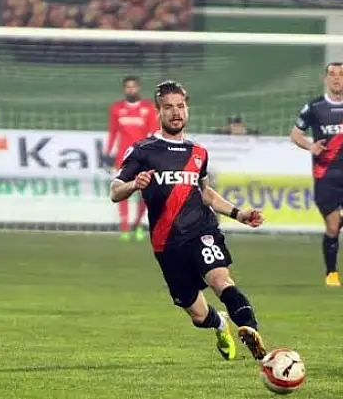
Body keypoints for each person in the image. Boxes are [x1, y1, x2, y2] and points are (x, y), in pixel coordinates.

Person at [110, 80, 268, 361]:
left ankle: (251, 330)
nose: (176, 112)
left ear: (187, 109)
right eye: (169, 107)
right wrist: (134, 184)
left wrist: (239, 214)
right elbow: (115, 191)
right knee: (197, 313)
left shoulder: (198, 152)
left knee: (220, 279)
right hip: (166, 243)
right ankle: (219, 323)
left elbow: (205, 193)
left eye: (180, 106)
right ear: (158, 111)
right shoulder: (143, 151)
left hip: (201, 230)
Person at [289, 62, 343, 287]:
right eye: (332, 74)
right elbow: (295, 134)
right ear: (325, 79)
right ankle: (331, 273)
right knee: (332, 227)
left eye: (341, 75)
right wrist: (311, 146)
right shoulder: (315, 107)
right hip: (324, 176)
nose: (337, 78)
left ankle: (337, 222)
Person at [106, 75, 159, 242]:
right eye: (128, 87)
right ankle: (124, 227)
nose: (131, 90)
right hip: (123, 158)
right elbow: (113, 132)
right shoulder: (116, 108)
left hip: (142, 157)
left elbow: (153, 133)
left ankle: (137, 224)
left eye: (133, 86)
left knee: (143, 192)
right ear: (124, 89)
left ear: (138, 88)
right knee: (121, 189)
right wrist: (108, 152)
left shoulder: (148, 108)